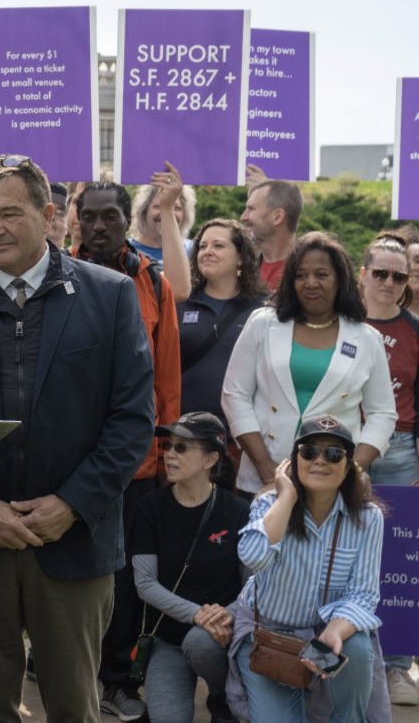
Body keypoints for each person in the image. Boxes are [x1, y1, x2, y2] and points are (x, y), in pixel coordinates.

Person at [0, 155, 155, 723]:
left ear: (49, 215)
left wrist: (72, 504)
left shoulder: (111, 295)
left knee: (75, 704)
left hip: (73, 545)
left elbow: (132, 420)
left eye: (9, 213)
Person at [74, 179, 181, 721]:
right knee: (65, 571)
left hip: (135, 461)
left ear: (125, 220)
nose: (97, 227)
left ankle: (116, 678)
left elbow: (165, 377)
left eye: (108, 217)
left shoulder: (152, 282)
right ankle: (68, 674)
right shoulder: (54, 275)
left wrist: (164, 453)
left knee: (122, 578)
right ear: (74, 220)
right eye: (88, 217)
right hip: (68, 457)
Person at [230, 415, 384, 722]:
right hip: (272, 637)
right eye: (309, 451)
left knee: (357, 643)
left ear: (348, 466)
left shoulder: (368, 518)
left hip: (324, 638)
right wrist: (286, 496)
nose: (320, 461)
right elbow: (253, 558)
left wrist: (335, 632)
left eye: (334, 454)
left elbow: (364, 594)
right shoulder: (269, 503)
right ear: (293, 461)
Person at [222, 232, 397, 499]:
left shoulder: (367, 339)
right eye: (300, 275)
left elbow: (383, 414)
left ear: (340, 280)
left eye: (321, 274)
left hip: (332, 484)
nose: (310, 283)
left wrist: (352, 468)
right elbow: (235, 395)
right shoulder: (262, 323)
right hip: (263, 479)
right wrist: (265, 467)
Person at [132, 412, 249, 723]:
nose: (169, 454)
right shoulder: (150, 507)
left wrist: (227, 614)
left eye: (182, 448)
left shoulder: (238, 511)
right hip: (167, 639)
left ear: (211, 458)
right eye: (169, 445)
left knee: (200, 641)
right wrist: (197, 614)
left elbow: (253, 584)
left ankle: (221, 696)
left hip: (221, 637)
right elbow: (144, 584)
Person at [357, 233, 419, 706]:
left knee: (396, 561)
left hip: (400, 454)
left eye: (398, 276)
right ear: (363, 273)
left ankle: (397, 668)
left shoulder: (416, 331)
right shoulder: (340, 323)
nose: (389, 283)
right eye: (380, 272)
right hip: (339, 450)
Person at [178, 218, 267, 486]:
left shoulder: (264, 309)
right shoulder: (180, 300)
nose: (207, 251)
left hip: (239, 441)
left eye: (218, 245)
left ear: (241, 257)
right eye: (202, 245)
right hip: (183, 435)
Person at [128, 162, 193, 302]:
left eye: (176, 207)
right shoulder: (126, 250)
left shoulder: (195, 250)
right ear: (143, 211)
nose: (167, 212)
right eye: (158, 206)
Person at [241, 180, 302, 290]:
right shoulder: (244, 271)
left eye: (251, 209)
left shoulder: (306, 272)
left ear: (277, 217)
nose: (243, 217)